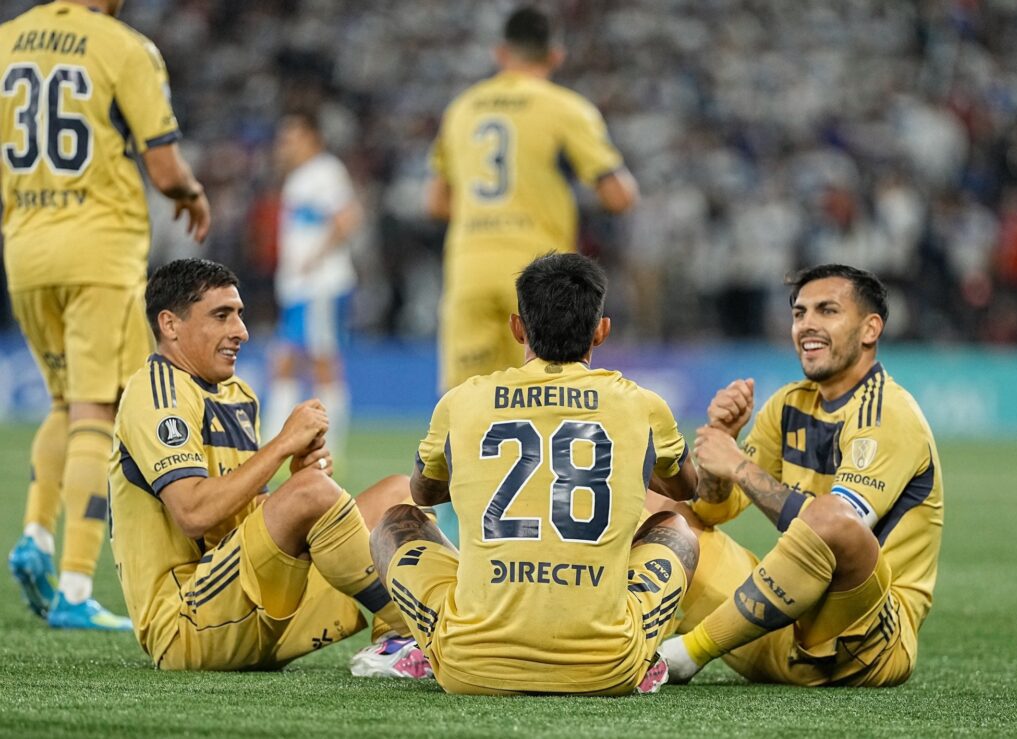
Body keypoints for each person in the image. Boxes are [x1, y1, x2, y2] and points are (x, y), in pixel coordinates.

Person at [369, 252, 698, 695]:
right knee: (675, 530)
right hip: (604, 672)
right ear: (602, 330)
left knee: (395, 522)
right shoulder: (640, 404)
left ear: (517, 327)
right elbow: (686, 487)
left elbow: (424, 493)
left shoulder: (464, 400)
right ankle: (642, 655)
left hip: (471, 669)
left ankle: (421, 643)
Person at [108, 258, 428, 674]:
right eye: (221, 316)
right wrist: (282, 450)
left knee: (398, 495)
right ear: (170, 325)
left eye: (239, 315)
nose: (240, 331)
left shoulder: (237, 395)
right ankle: (423, 627)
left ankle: (401, 642)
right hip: (186, 625)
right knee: (312, 491)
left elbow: (246, 519)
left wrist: (296, 492)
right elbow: (193, 513)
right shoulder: (156, 394)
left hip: (248, 604)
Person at [2, 0, 210, 630]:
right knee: (99, 408)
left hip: (25, 247)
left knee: (64, 400)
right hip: (99, 247)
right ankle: (72, 586)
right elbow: (165, 166)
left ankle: (35, 534)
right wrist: (192, 194)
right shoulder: (123, 46)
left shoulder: (7, 41)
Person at [657, 264, 944, 687]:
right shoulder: (788, 404)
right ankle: (626, 641)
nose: (807, 325)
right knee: (660, 509)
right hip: (778, 626)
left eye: (827, 311)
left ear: (870, 329)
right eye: (799, 314)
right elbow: (711, 511)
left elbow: (836, 529)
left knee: (832, 517)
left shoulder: (889, 413)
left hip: (864, 647)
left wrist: (738, 464)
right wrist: (721, 442)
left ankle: (690, 651)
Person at [427, 6, 639, 392]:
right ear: (556, 54)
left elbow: (436, 202)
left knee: (461, 400)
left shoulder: (461, 109)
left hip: (469, 262)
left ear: (500, 52)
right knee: (541, 392)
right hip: (538, 269)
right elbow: (619, 196)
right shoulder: (566, 108)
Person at [264, 111, 361, 455]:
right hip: (298, 286)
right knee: (286, 359)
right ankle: (276, 439)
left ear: (312, 139)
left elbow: (348, 216)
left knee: (322, 359)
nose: (284, 145)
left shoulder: (325, 171)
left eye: (292, 138)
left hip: (320, 284)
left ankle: (329, 444)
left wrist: (315, 257)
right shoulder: (299, 178)